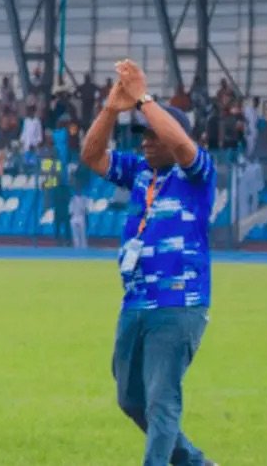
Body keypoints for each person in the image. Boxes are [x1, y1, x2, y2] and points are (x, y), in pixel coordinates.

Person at [79, 59, 218, 466]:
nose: (144, 142)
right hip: (135, 303)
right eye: (141, 136)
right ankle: (194, 462)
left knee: (162, 399)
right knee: (130, 397)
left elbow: (182, 145)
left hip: (178, 305)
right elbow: (92, 155)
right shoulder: (140, 172)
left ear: (172, 139)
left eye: (152, 136)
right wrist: (111, 108)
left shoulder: (198, 174)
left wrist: (144, 98)